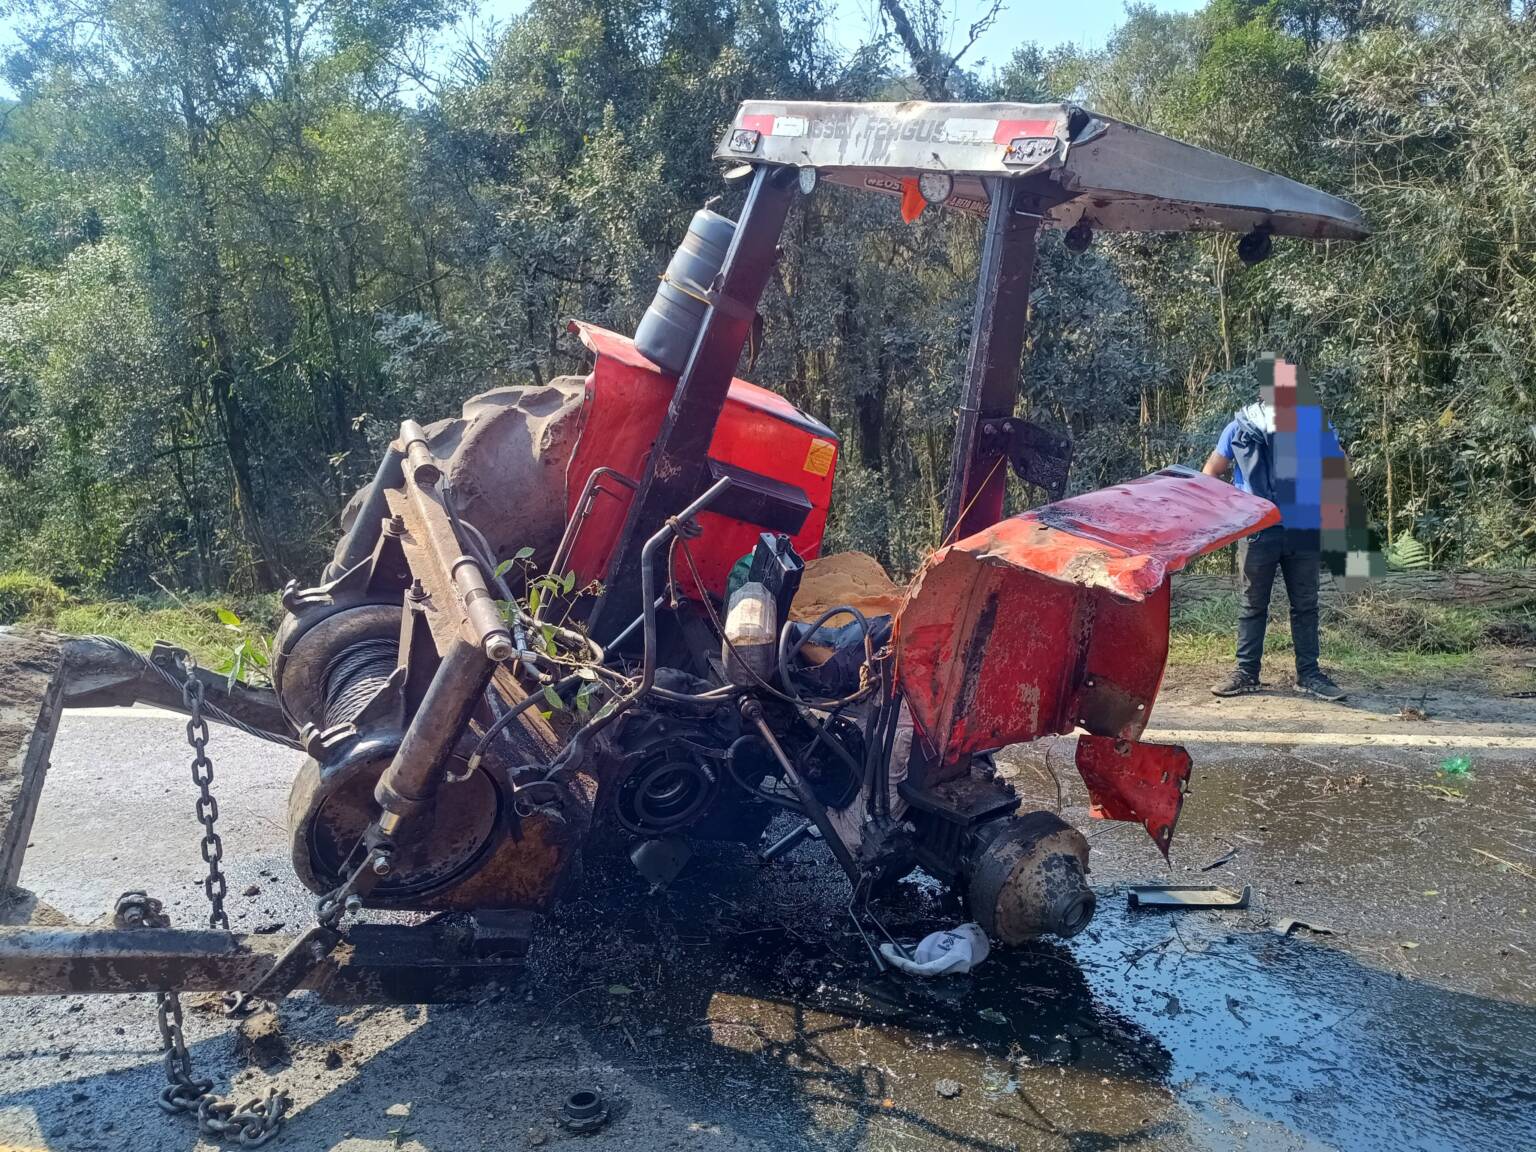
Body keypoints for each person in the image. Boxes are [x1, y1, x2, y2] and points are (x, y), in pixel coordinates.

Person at [1202, 356, 1346, 702]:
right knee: (1259, 603)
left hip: (1290, 527)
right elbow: (1211, 471)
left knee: (1301, 604)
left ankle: (1303, 674)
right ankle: (1252, 672)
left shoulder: (1307, 425)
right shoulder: (1243, 426)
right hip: (1263, 527)